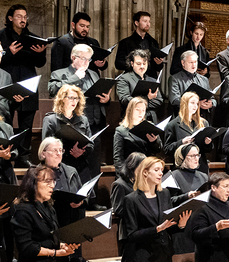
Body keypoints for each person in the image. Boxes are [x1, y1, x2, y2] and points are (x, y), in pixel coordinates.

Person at [0, 5, 47, 166]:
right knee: (4, 122)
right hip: (7, 85)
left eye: (25, 17)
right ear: (10, 18)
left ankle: (23, 157)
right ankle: (4, 156)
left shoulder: (33, 38)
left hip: (28, 85)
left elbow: (40, 63)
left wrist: (40, 52)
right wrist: (7, 52)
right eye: (19, 16)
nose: (23, 19)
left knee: (26, 125)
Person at [49, 44, 111, 184]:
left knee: (94, 166)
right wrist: (75, 77)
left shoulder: (93, 74)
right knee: (71, 167)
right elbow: (53, 90)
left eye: (89, 59)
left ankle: (92, 195)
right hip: (72, 127)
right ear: (73, 57)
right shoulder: (60, 74)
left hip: (94, 125)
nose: (86, 62)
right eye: (83, 59)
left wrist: (106, 99)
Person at [37, 136, 88, 262]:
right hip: (51, 219)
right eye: (55, 150)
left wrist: (81, 201)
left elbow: (83, 194)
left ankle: (75, 254)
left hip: (71, 218)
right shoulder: (37, 173)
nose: (59, 154)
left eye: (61, 150)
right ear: (43, 153)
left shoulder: (71, 171)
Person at [41, 84, 94, 179]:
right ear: (62, 99)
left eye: (76, 98)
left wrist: (82, 152)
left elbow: (91, 144)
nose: (74, 101)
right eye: (71, 98)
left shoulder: (83, 120)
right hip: (59, 165)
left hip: (80, 165)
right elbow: (45, 146)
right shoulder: (51, 120)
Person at [163, 92, 213, 173]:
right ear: (184, 104)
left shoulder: (203, 123)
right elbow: (167, 149)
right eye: (192, 103)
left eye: (197, 104)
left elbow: (208, 149)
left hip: (200, 166)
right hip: (182, 167)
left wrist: (207, 143)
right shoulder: (173, 124)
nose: (195, 106)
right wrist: (182, 142)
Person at [116, 49, 165, 121]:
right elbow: (125, 99)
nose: (142, 66)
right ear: (132, 64)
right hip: (132, 118)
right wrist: (147, 99)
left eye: (144, 64)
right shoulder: (124, 78)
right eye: (138, 64)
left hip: (151, 118)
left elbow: (159, 101)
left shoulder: (152, 80)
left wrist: (138, 103)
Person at [114, 96, 161, 168]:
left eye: (143, 110)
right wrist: (123, 173)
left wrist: (154, 142)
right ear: (130, 111)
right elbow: (118, 157)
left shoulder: (149, 126)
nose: (140, 113)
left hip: (146, 168)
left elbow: (158, 149)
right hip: (130, 169)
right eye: (137, 110)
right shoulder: (121, 130)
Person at [115, 11, 165, 77]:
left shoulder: (153, 42)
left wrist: (159, 63)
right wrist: (133, 65)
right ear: (137, 23)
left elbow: (158, 68)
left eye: (149, 21)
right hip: (132, 78)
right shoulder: (125, 42)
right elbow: (118, 64)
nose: (148, 24)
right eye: (145, 21)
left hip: (150, 78)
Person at [169, 51, 215, 116]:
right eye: (191, 62)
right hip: (184, 116)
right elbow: (174, 100)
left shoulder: (204, 79)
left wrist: (211, 103)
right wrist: (196, 103)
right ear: (183, 63)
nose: (194, 65)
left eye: (195, 62)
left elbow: (212, 98)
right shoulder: (175, 79)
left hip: (202, 117)